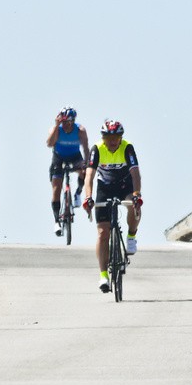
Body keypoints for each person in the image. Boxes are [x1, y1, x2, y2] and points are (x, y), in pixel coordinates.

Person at [82, 119, 143, 293]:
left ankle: (131, 236)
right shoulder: (97, 149)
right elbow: (89, 176)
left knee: (133, 205)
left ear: (121, 137)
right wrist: (88, 197)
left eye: (116, 137)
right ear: (103, 137)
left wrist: (137, 195)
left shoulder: (127, 147)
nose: (112, 141)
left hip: (124, 185)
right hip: (105, 188)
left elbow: (136, 175)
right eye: (108, 137)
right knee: (102, 233)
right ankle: (103, 276)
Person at [46, 106, 90, 236]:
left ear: (72, 121)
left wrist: (86, 163)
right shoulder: (56, 130)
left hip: (75, 156)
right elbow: (49, 144)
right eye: (63, 122)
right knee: (56, 189)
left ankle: (77, 193)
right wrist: (56, 127)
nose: (64, 125)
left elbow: (86, 148)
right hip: (58, 157)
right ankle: (56, 222)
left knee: (84, 172)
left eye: (67, 122)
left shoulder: (80, 130)